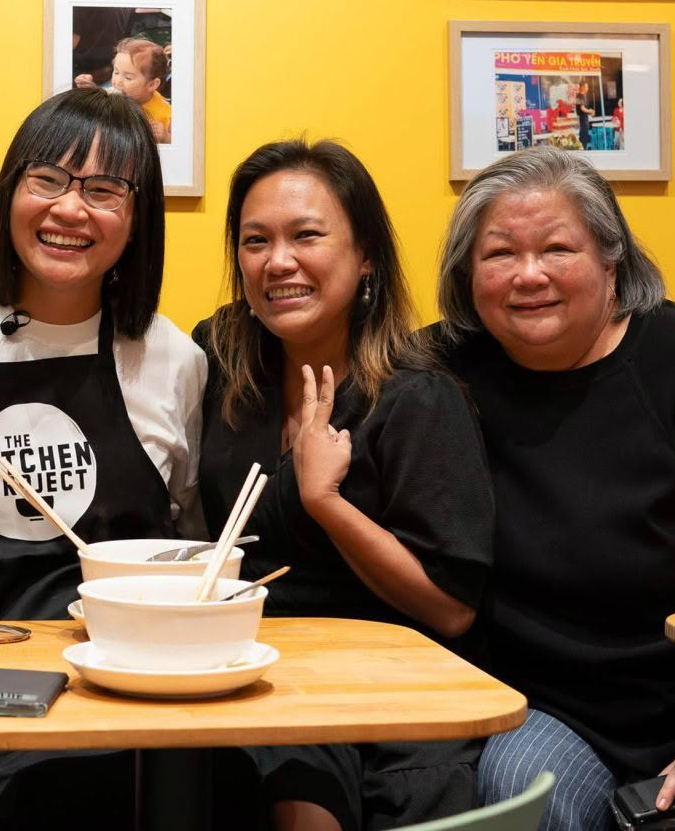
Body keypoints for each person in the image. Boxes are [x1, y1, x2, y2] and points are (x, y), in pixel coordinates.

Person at [435, 148, 675, 831]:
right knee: (520, 793)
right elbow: (340, 365)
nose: (529, 275)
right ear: (468, 276)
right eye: (499, 254)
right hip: (552, 709)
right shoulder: (440, 375)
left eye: (558, 248)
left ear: (611, 261)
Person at [0, 88, 206, 829]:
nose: (70, 209)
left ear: (138, 219)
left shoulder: (173, 359)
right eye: (48, 180)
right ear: (11, 191)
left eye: (104, 191)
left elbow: (191, 540)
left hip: (127, 679)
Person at [196, 140, 493, 831]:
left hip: (391, 690)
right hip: (254, 673)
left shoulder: (416, 397)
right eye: (255, 241)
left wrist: (324, 503)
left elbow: (450, 610)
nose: (278, 261)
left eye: (307, 236)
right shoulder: (224, 360)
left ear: (365, 257)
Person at [78, 38, 171, 143]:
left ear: (152, 84)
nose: (118, 82)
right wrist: (87, 88)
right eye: (116, 72)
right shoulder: (111, 96)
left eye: (128, 77)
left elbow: (181, 144)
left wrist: (166, 137)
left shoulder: (165, 112)